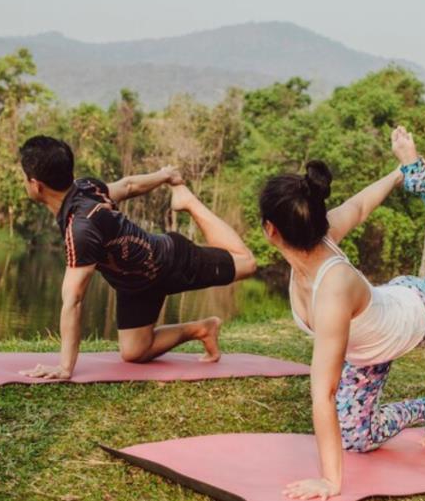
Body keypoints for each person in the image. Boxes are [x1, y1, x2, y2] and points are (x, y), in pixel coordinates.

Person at [259, 127, 425, 500]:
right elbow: (361, 205)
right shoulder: (316, 235)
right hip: (371, 344)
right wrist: (396, 173)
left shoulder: (331, 286)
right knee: (356, 439)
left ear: (270, 230)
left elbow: (324, 392)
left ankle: (424, 180)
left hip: (424, 308)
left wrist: (330, 482)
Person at [17, 135, 256, 379]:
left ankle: (189, 202)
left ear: (36, 184)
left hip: (172, 261)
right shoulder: (86, 187)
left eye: (24, 177)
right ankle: (203, 329)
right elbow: (128, 186)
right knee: (134, 352)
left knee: (248, 264)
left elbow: (74, 301)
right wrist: (163, 175)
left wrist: (65, 368)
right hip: (134, 287)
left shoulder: (80, 228)